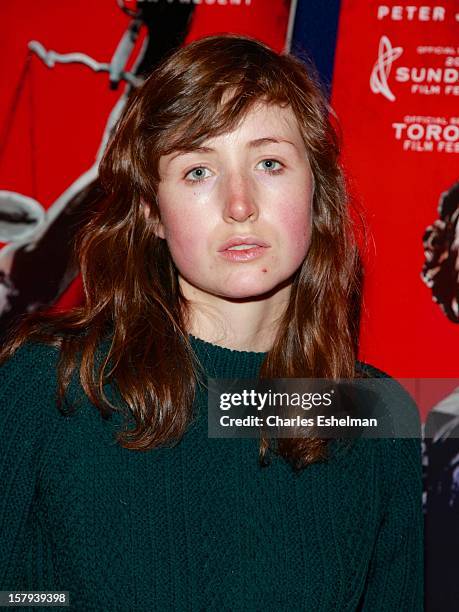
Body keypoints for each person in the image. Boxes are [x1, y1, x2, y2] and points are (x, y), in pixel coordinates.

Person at [0, 34, 422, 611]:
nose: (240, 204)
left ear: (317, 192)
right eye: (199, 171)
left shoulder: (369, 410)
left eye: (269, 163)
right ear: (151, 210)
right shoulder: (52, 383)